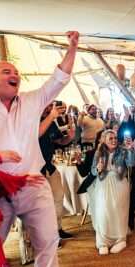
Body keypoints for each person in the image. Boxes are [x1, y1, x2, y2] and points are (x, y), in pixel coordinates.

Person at [0, 30, 79, 267]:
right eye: (6, 71)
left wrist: (72, 47)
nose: (15, 74)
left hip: (33, 182)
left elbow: (59, 78)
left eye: (16, 72)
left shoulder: (32, 100)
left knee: (48, 243)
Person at [88, 130, 135, 254]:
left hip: (119, 182)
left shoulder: (123, 150)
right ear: (104, 140)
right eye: (111, 139)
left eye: (115, 138)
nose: (114, 140)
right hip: (103, 182)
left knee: (118, 211)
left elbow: (131, 164)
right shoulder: (98, 153)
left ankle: (120, 240)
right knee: (103, 212)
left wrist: (130, 150)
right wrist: (98, 169)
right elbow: (93, 171)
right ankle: (103, 241)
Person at [39, 102, 77, 242]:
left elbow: (59, 141)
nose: (49, 109)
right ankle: (46, 236)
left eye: (50, 107)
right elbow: (36, 135)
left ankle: (57, 229)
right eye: (47, 106)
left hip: (50, 167)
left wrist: (70, 137)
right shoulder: (31, 120)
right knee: (41, 204)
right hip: (36, 170)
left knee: (59, 198)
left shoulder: (52, 123)